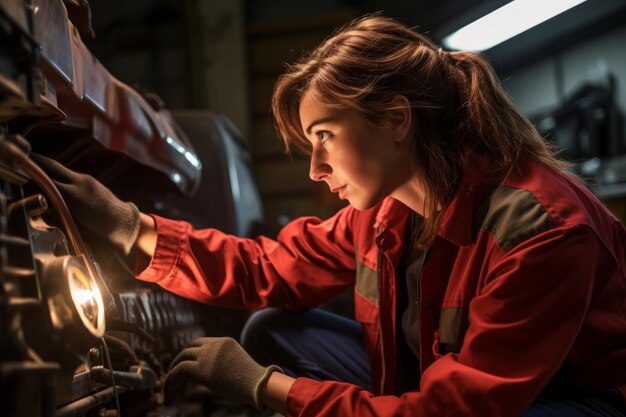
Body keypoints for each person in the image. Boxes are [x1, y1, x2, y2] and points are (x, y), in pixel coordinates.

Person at [35, 14, 626, 417]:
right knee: (271, 328)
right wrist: (126, 226)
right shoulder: (386, 211)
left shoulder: (542, 232)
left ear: (396, 119)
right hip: (448, 388)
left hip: (574, 398)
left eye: (325, 135)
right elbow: (272, 267)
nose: (315, 168)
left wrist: (264, 387)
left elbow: (460, 410)